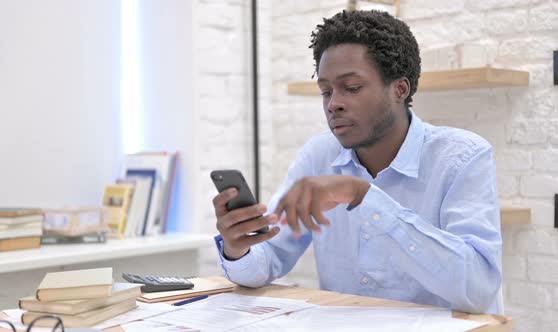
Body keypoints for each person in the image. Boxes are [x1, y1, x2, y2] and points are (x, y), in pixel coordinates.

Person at [212, 10, 502, 314]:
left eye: (351, 88)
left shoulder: (463, 157)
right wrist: (238, 249)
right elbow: (269, 256)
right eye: (326, 91)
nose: (333, 103)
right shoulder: (319, 155)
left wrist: (363, 196)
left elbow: (478, 289)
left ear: (399, 90)